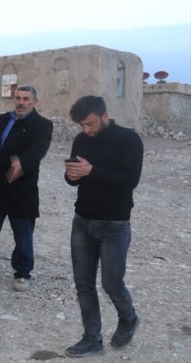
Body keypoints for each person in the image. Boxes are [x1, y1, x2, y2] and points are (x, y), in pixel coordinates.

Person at [63, 95, 143, 357]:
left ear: (104, 116)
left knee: (111, 283)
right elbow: (75, 179)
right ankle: (91, 338)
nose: (87, 130)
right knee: (83, 284)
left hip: (114, 224)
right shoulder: (81, 139)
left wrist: (91, 171)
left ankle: (129, 317)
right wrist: (71, 174)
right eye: (82, 126)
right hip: (82, 221)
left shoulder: (129, 140)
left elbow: (130, 179)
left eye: (91, 124)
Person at [0, 85, 53, 292]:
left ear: (34, 101)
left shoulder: (43, 125)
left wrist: (20, 163)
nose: (21, 103)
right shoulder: (3, 119)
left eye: (26, 99)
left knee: (23, 234)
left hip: (22, 188)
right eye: (18, 98)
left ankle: (23, 273)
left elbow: (38, 151)